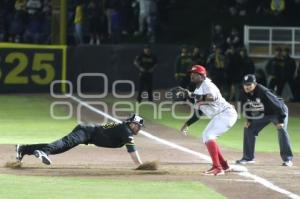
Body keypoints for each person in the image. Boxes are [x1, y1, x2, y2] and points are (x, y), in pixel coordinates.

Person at [16, 114, 145, 167]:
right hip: (86, 132)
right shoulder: (126, 131)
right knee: (64, 143)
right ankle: (43, 151)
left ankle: (23, 148)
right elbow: (132, 151)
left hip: (88, 133)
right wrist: (140, 166)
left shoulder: (123, 128)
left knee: (60, 148)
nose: (139, 129)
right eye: (139, 126)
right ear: (133, 124)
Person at [180, 65, 238, 176]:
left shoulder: (207, 84)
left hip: (226, 113)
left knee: (208, 135)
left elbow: (212, 97)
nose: (191, 75)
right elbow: (199, 112)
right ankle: (223, 165)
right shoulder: (198, 89)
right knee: (207, 135)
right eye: (191, 73)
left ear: (202, 76)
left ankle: (217, 168)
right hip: (221, 115)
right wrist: (187, 124)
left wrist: (192, 95)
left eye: (194, 74)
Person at [236, 74, 293, 166]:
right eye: (245, 84)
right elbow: (246, 106)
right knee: (248, 128)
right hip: (264, 114)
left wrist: (281, 121)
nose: (247, 87)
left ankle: (287, 159)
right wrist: (249, 120)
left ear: (255, 84)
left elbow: (278, 105)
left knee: (281, 130)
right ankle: (248, 158)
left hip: (278, 112)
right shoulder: (243, 92)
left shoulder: (263, 91)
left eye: (249, 84)